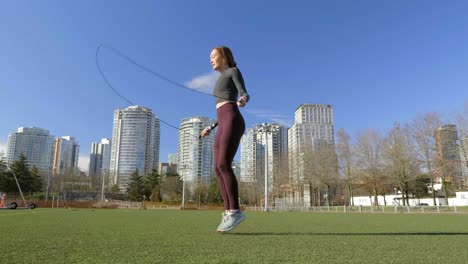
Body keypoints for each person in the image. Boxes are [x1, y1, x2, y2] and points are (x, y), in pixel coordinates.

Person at [200, 46, 249, 232]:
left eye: (214, 56)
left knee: (223, 164)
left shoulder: (232, 71)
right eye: (210, 57)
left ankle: (236, 211)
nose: (211, 59)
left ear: (224, 56)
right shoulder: (220, 79)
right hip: (222, 121)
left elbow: (244, 93)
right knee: (217, 167)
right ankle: (228, 212)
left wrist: (243, 100)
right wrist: (210, 127)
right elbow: (221, 110)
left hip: (233, 119)